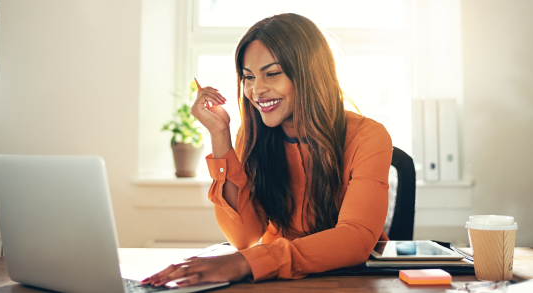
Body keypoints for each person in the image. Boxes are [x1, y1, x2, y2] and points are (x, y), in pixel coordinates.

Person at [144, 13, 392, 287]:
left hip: (350, 281)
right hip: (275, 281)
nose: (256, 90)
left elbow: (354, 238)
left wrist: (246, 263)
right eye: (248, 77)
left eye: (271, 74)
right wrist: (220, 135)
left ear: (310, 73)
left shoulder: (368, 136)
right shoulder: (251, 136)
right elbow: (244, 237)